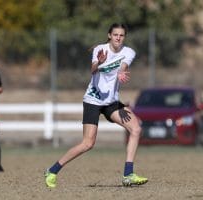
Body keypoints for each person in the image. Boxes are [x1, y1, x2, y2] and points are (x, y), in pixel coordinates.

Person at [44, 23, 148, 188]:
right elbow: (92, 70)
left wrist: (122, 72)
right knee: (88, 143)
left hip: (111, 102)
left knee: (136, 129)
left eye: (121, 35)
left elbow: (123, 65)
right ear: (109, 35)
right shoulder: (100, 49)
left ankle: (128, 174)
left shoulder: (129, 52)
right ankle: (52, 170)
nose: (118, 38)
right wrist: (99, 63)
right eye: (115, 35)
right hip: (93, 101)